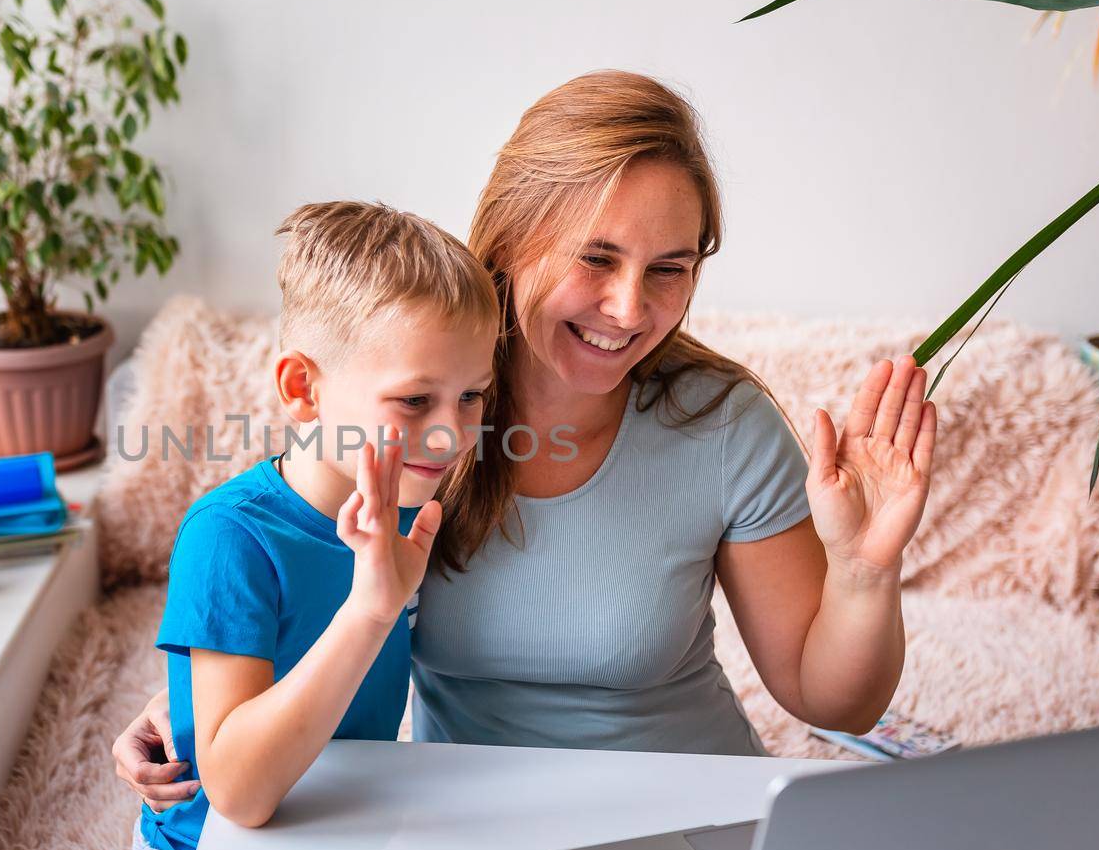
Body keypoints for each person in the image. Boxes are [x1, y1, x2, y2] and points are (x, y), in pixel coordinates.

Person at [114, 69, 937, 798]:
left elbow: (832, 699)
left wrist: (864, 572)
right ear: (511, 240)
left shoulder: (720, 423)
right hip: (472, 832)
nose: (629, 308)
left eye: (669, 269)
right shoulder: (420, 404)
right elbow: (288, 571)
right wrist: (191, 708)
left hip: (688, 811)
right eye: (596, 258)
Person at [121, 201, 500, 850]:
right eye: (415, 399)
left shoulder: (418, 507)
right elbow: (239, 794)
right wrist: (372, 607)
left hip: (347, 841)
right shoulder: (228, 536)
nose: (453, 433)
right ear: (302, 388)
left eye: (472, 396)